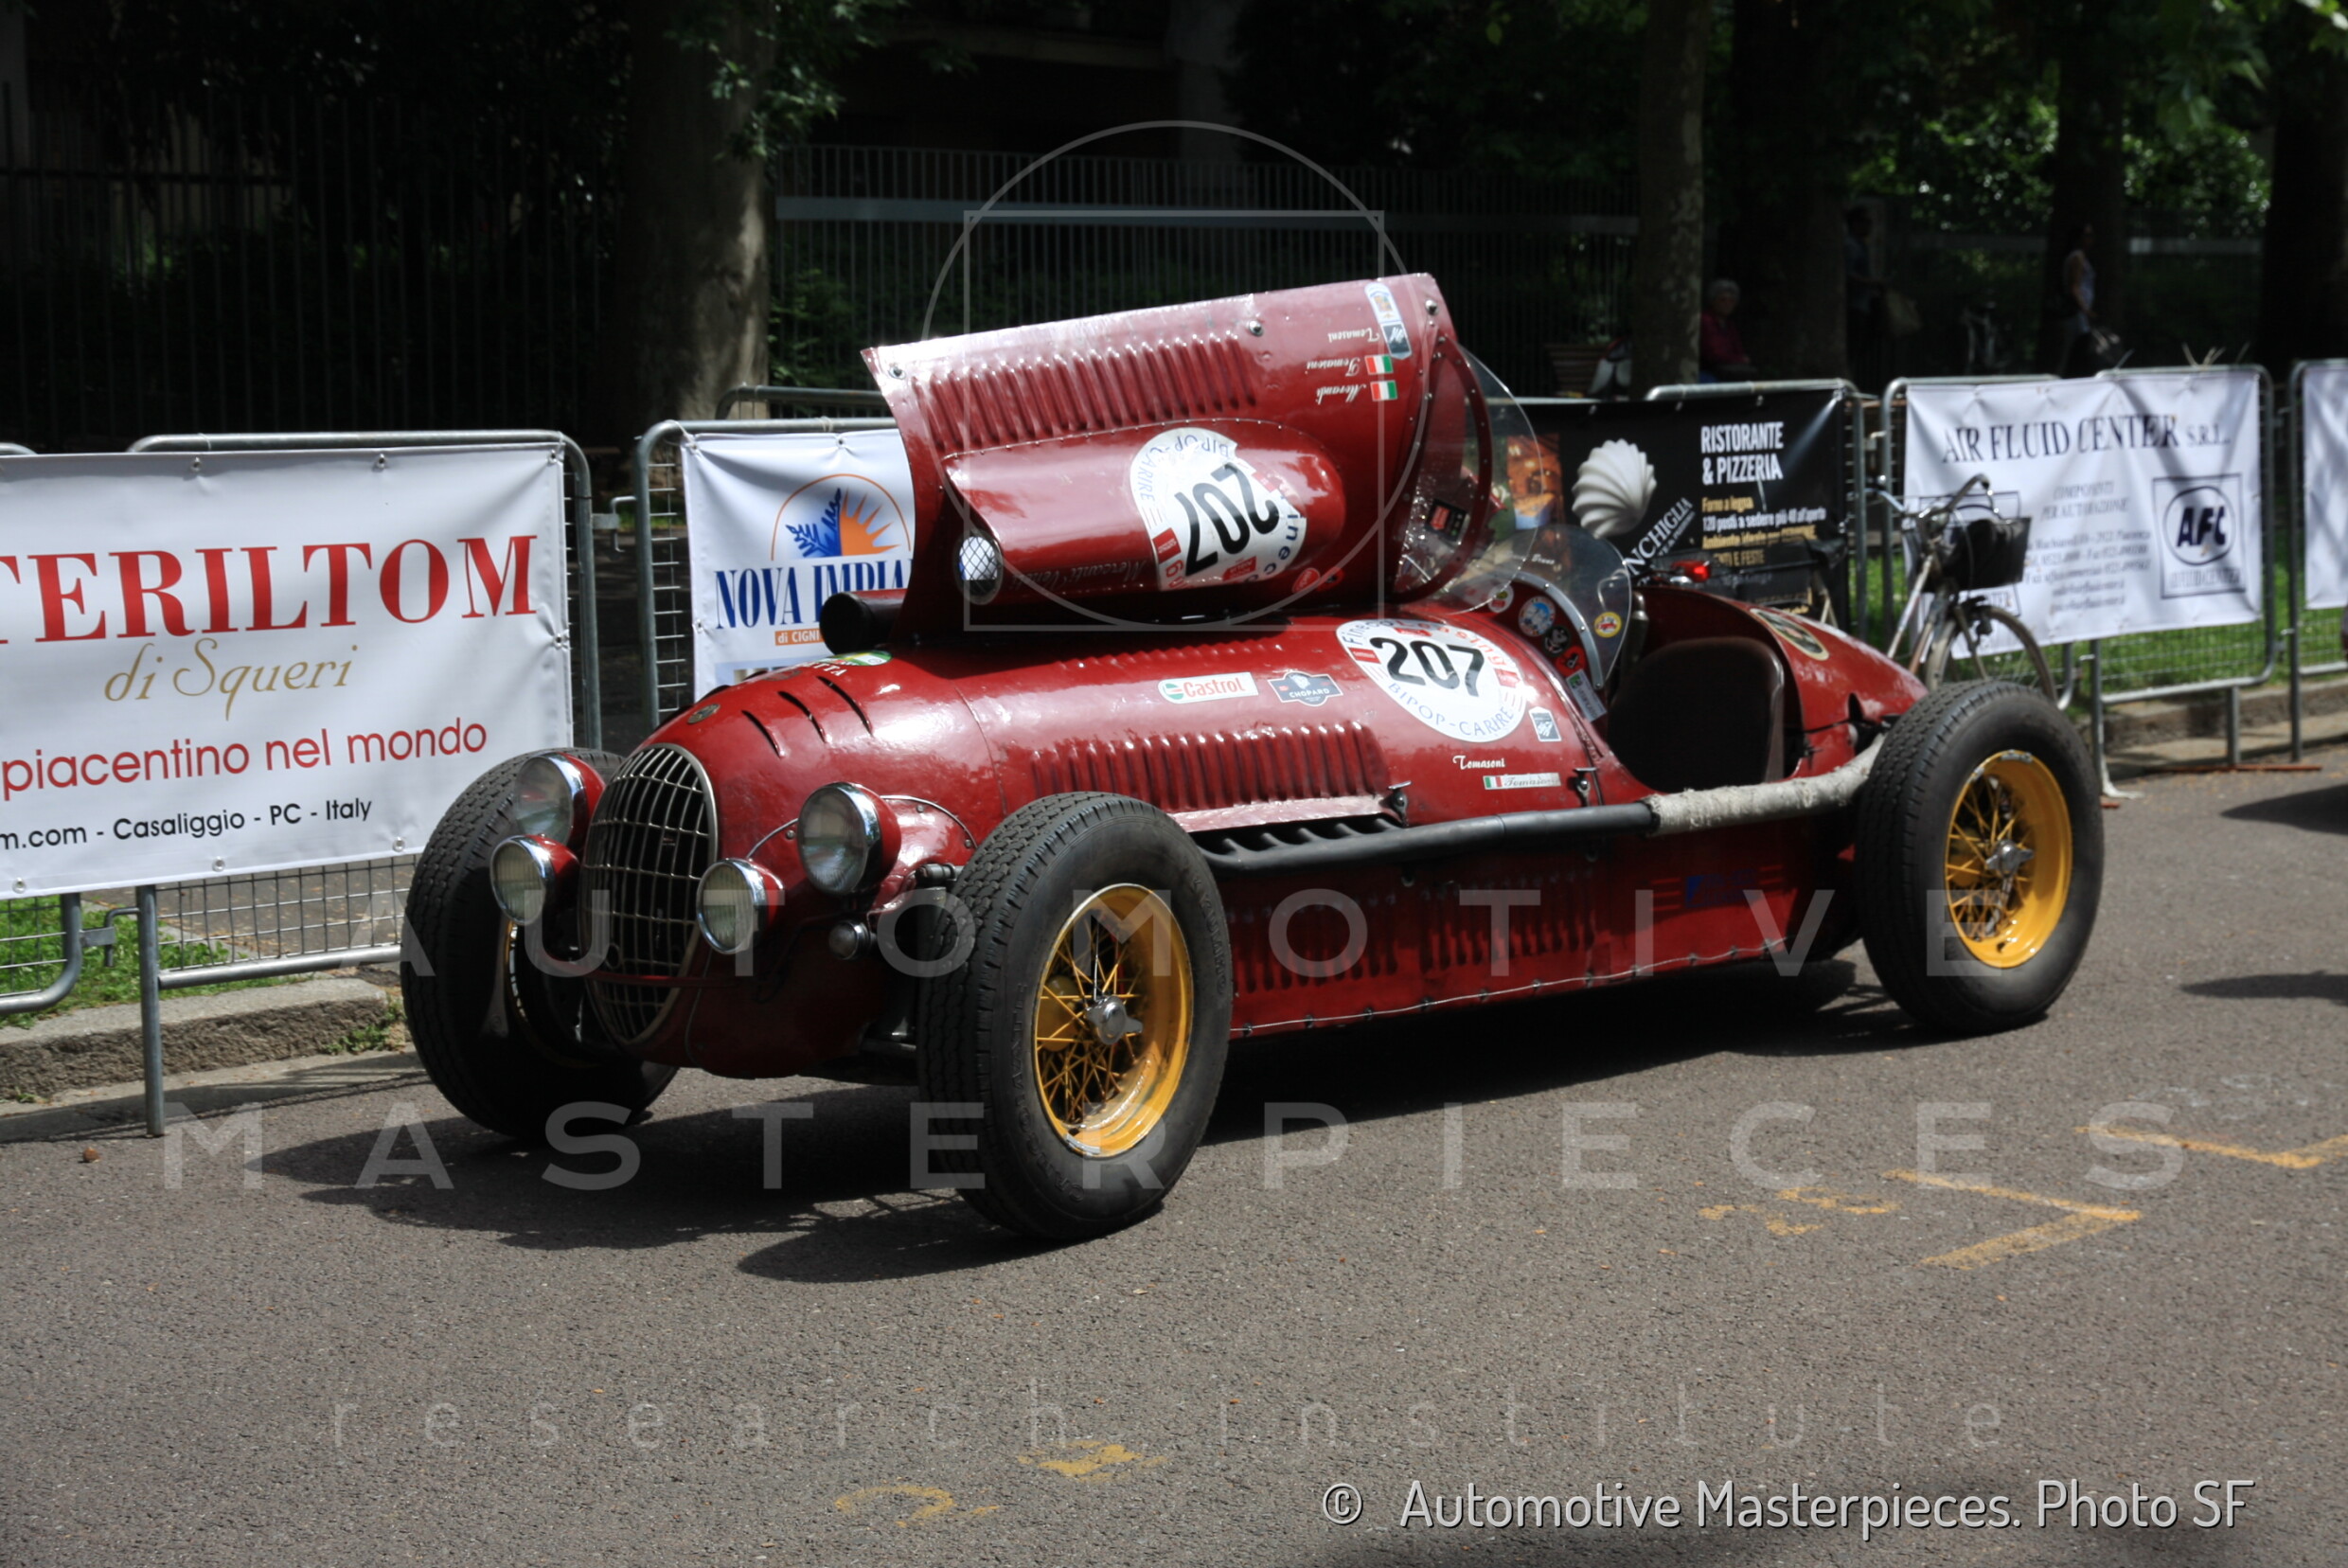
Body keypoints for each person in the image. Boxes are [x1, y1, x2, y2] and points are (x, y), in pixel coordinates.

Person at [1845, 206, 1885, 384]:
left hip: (1862, 304)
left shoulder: (1860, 245)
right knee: (1852, 348)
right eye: (1866, 222)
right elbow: (1848, 275)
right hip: (1854, 305)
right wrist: (1871, 283)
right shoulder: (1851, 246)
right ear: (1856, 224)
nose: (1870, 227)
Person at [2057, 223, 2098, 377]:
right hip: (2076, 313)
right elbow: (2074, 287)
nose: (2090, 239)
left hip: (2079, 313)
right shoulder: (2077, 257)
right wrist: (2085, 311)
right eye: (2087, 235)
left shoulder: (2081, 257)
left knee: (2076, 349)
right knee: (2074, 349)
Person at [1699, 280, 1757, 383]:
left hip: (1727, 368)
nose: (1727, 304)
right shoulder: (1706, 321)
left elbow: (1738, 349)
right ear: (1713, 301)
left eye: (1731, 301)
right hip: (1708, 370)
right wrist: (1738, 359)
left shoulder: (1729, 324)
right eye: (1723, 300)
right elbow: (1713, 354)